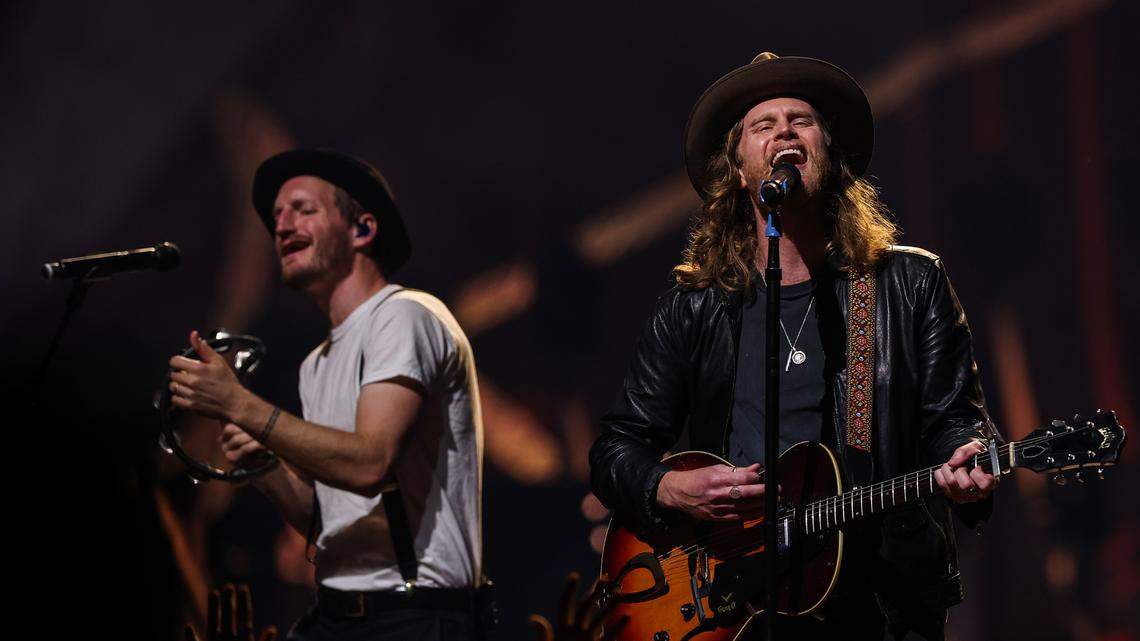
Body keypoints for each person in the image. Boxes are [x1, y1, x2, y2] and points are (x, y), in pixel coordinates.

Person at [589, 53, 999, 640]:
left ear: (828, 158)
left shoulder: (907, 286)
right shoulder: (694, 308)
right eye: (764, 125)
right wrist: (669, 487)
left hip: (878, 601)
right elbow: (616, 449)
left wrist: (968, 455)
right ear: (738, 172)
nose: (784, 131)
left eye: (801, 121)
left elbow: (955, 419)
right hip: (738, 603)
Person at [169, 149, 487, 640]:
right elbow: (325, 523)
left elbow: (369, 463)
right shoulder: (315, 365)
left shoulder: (404, 316)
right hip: (340, 613)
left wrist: (240, 404)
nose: (282, 225)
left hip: (415, 615)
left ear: (362, 229)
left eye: (303, 209)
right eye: (277, 216)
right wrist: (263, 463)